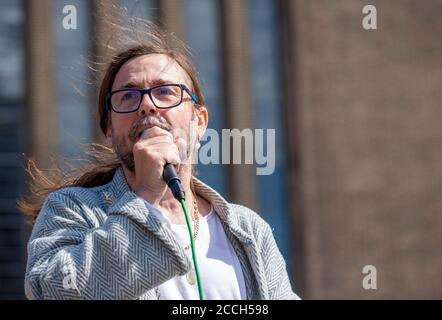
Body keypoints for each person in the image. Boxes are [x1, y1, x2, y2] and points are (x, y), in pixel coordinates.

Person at [20, 21, 299, 300]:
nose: (147, 105)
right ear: (109, 129)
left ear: (199, 121)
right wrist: (146, 197)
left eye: (165, 91)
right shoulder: (72, 210)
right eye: (128, 96)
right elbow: (54, 291)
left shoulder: (249, 231)